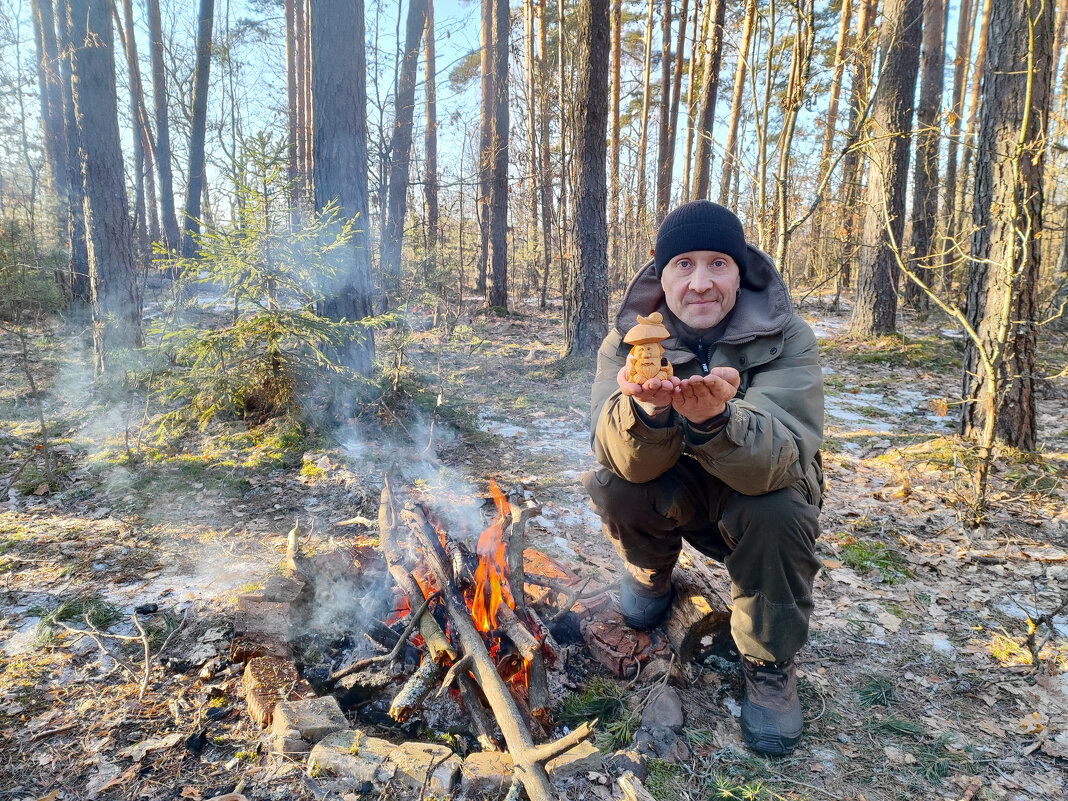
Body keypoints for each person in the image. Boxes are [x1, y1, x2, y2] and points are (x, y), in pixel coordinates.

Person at [583, 200, 824, 756]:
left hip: (753, 501)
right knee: (615, 481)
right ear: (659, 272)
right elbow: (616, 455)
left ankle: (767, 662)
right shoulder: (625, 343)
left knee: (781, 507)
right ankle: (650, 574)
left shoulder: (787, 337)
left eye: (718, 263)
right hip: (676, 492)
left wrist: (717, 419)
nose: (700, 283)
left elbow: (783, 456)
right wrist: (650, 415)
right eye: (683, 264)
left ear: (741, 270)